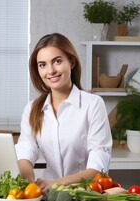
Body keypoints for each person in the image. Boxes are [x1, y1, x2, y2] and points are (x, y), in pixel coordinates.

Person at [15, 33, 112, 192]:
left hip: (87, 194)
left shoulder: (93, 104)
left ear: (71, 62)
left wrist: (58, 183)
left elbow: (98, 168)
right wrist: (28, 182)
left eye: (57, 61)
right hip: (50, 196)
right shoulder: (32, 109)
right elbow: (25, 153)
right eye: (42, 65)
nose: (50, 71)